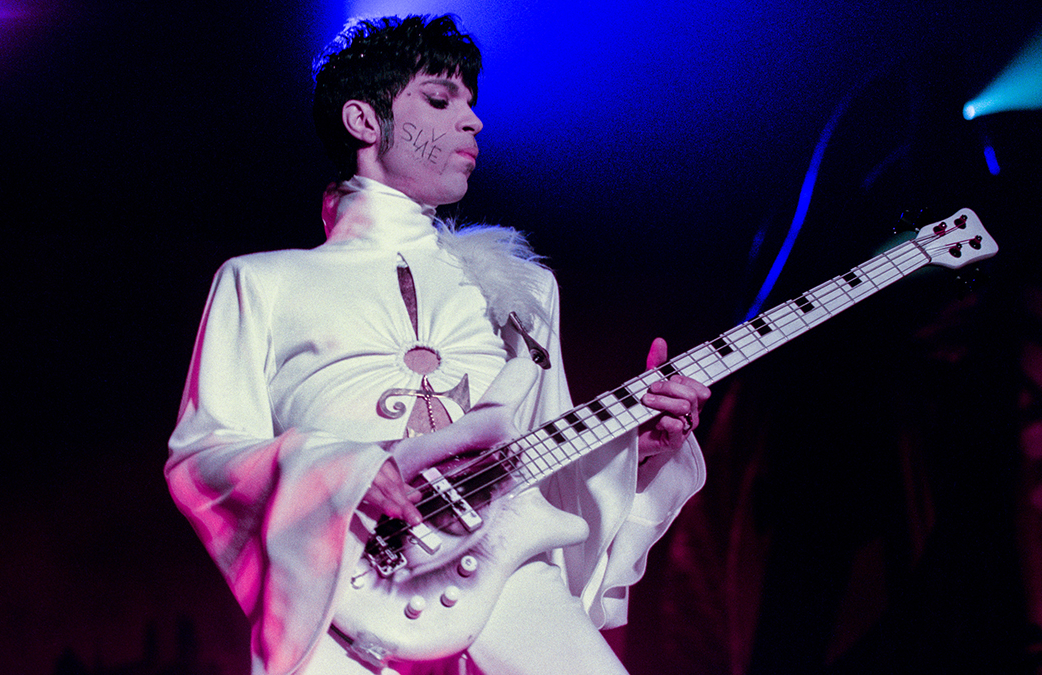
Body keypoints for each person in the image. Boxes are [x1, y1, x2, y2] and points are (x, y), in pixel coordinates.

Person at [166, 14, 709, 675]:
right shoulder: (261, 280)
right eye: (440, 98)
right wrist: (342, 471)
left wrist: (637, 447)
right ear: (364, 121)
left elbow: (546, 467)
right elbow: (203, 458)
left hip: (511, 584)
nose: (473, 120)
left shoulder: (525, 290)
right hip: (345, 603)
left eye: (472, 103)